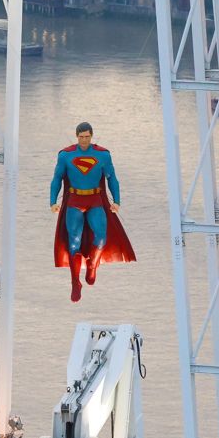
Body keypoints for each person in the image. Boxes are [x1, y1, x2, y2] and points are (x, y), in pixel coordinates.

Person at [50, 121, 136, 302]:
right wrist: (53, 202)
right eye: (81, 137)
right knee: (73, 242)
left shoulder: (102, 155)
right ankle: (75, 282)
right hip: (74, 201)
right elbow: (57, 178)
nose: (84, 140)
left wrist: (117, 201)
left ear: (91, 136)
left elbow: (112, 178)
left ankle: (93, 264)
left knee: (101, 237)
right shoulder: (66, 155)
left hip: (95, 200)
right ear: (76, 136)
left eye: (87, 137)